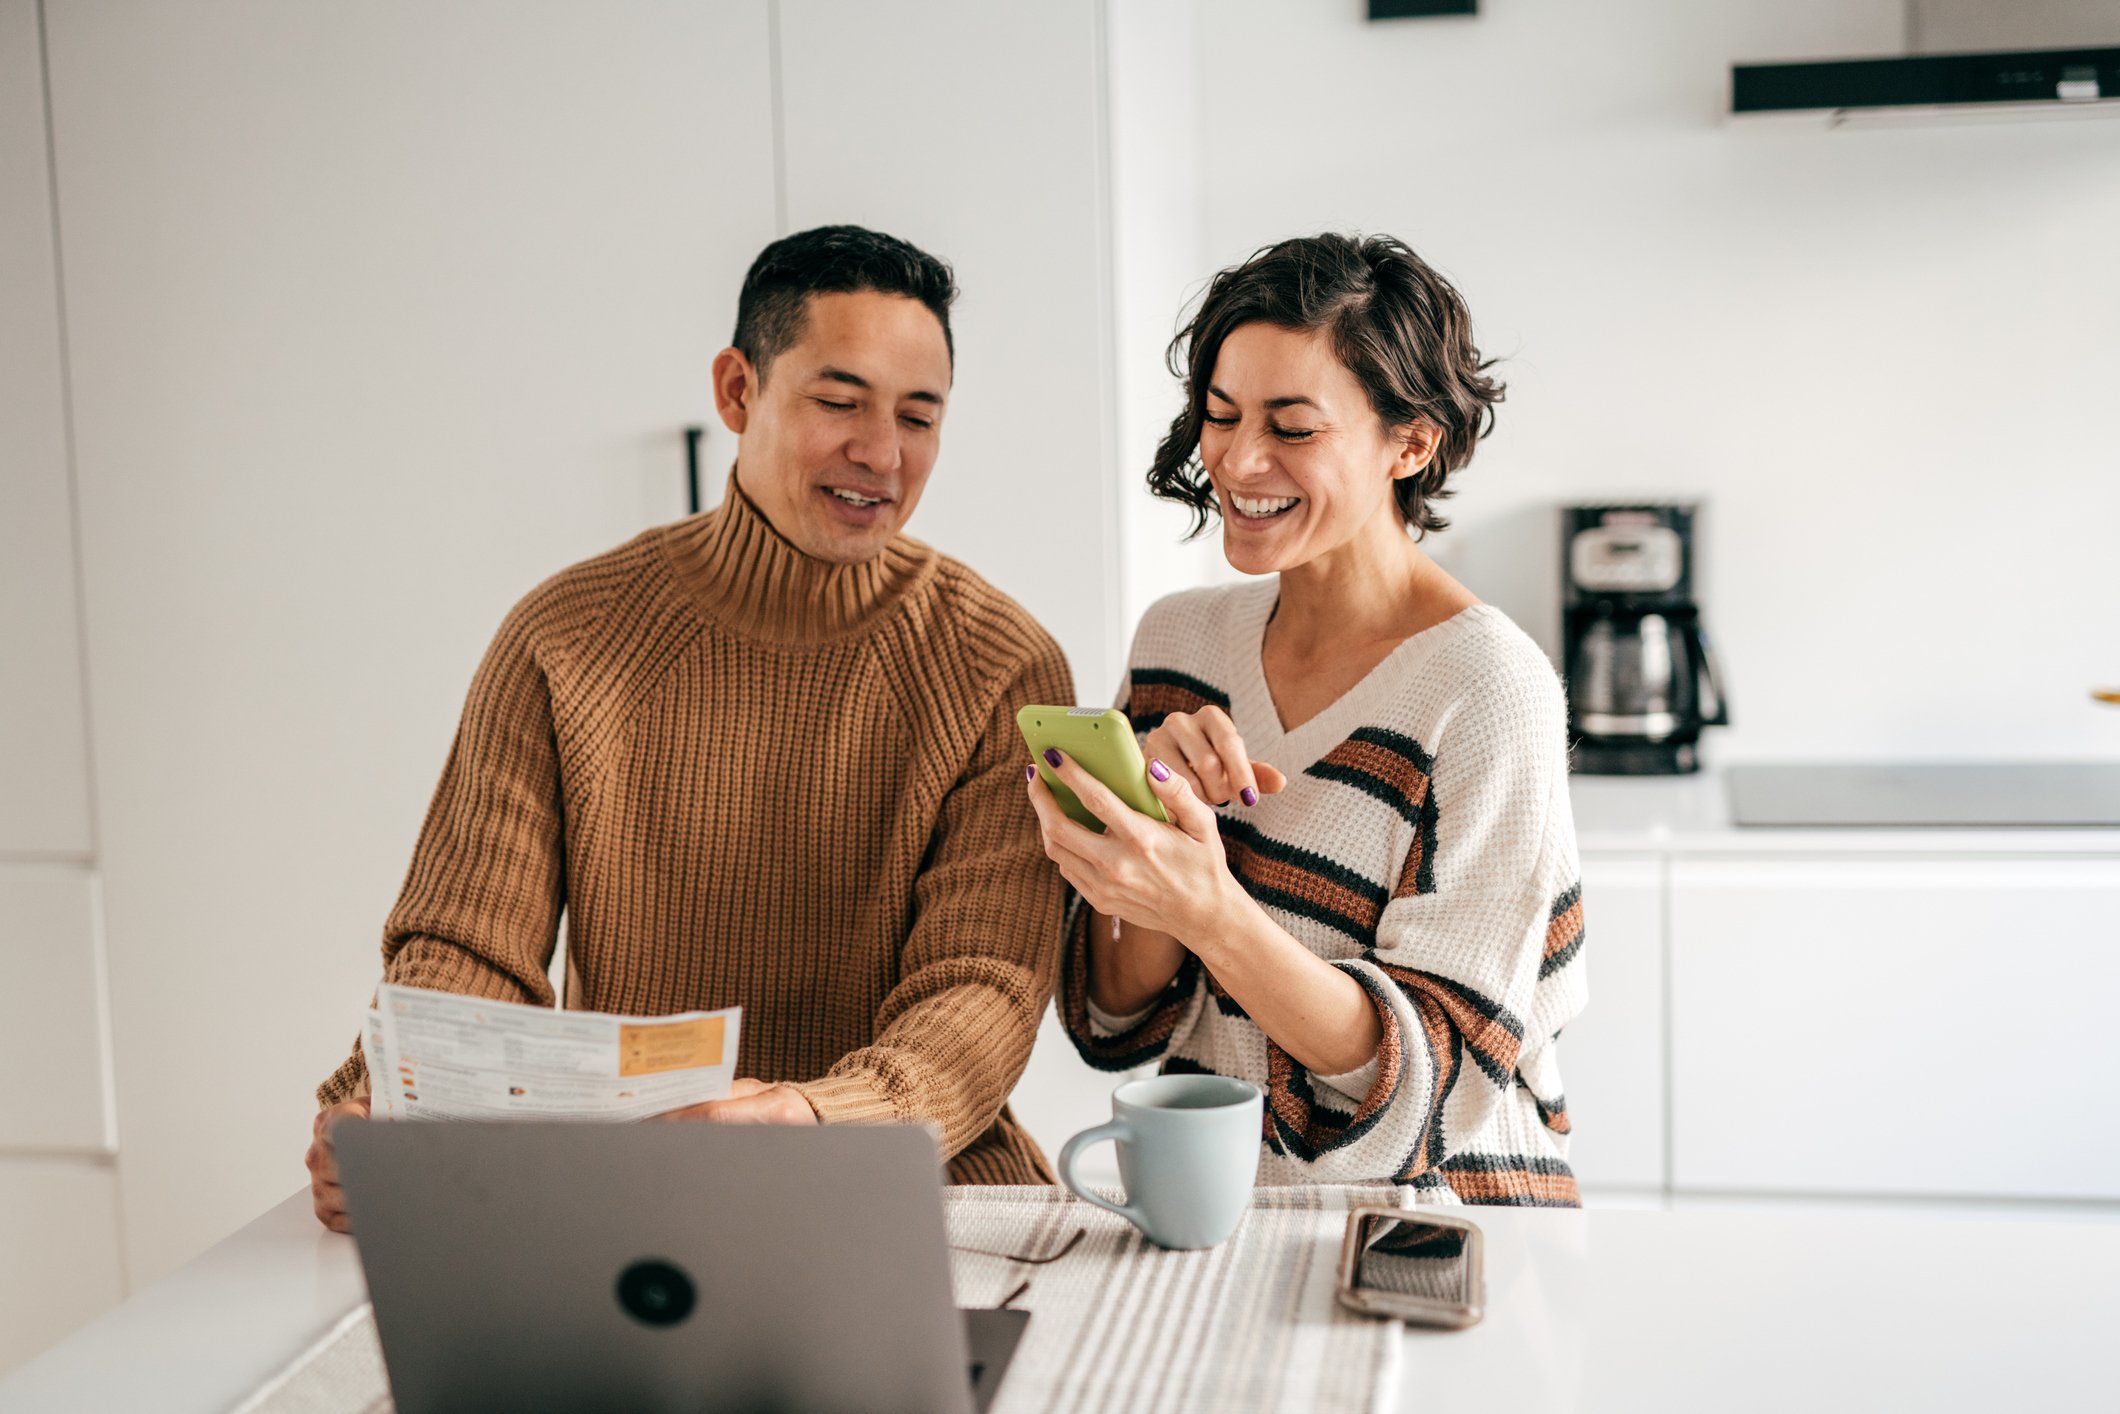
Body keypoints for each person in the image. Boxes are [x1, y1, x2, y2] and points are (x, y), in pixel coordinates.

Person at [308, 225, 1072, 1231]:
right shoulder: (563, 637)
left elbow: (981, 991)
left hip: (921, 1199)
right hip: (638, 1200)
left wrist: (811, 1117)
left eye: (916, 416)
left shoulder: (999, 665)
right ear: (736, 391)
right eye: (839, 401)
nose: (881, 453)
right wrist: (391, 1097)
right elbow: (467, 948)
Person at [1029, 233, 1586, 1206]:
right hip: (1218, 1215)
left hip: (1439, 1234)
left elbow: (1427, 1087)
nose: (1237, 460)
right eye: (1218, 414)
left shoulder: (1488, 688)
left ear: (1408, 443)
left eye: (1291, 426)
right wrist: (1154, 836)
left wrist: (1212, 909)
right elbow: (1111, 1019)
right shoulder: (1179, 641)